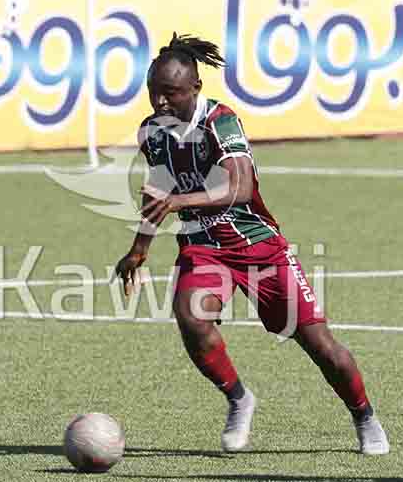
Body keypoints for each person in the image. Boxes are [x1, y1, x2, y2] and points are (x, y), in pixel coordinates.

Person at [114, 33, 389, 455]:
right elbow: (157, 187)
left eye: (170, 93)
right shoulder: (151, 132)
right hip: (202, 246)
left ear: (195, 89)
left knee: (320, 345)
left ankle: (364, 416)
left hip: (259, 245)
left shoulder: (221, 121)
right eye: (153, 92)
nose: (160, 103)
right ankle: (240, 399)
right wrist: (140, 248)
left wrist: (178, 201)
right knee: (192, 320)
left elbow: (240, 188)